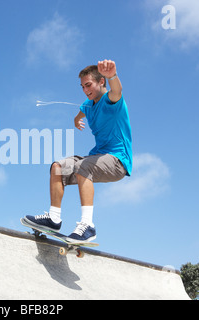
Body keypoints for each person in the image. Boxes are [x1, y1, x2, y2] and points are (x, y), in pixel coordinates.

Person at [24, 59, 132, 242]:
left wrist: (112, 75)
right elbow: (81, 111)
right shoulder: (87, 105)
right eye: (82, 86)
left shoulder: (112, 101)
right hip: (97, 157)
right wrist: (76, 119)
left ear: (101, 82)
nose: (85, 90)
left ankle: (87, 225)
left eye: (88, 85)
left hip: (117, 161)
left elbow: (117, 91)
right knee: (58, 167)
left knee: (84, 166)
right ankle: (53, 218)